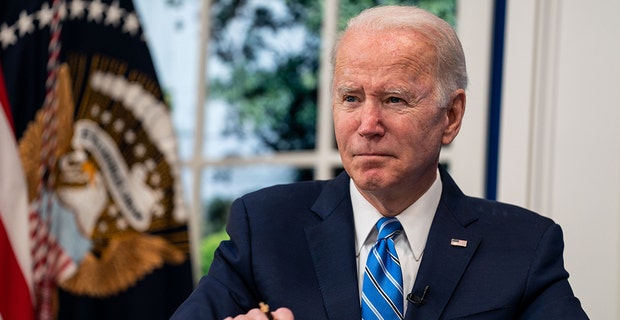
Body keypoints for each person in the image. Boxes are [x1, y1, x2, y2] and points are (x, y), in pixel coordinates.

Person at [171, 5, 589, 320]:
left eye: (395, 99)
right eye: (351, 98)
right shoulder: (264, 226)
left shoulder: (524, 247)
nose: (368, 125)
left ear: (451, 116)